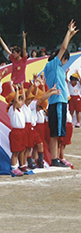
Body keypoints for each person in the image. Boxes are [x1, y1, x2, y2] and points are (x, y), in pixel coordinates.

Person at [43, 20, 78, 167]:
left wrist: (70, 35)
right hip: (57, 102)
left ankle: (56, 158)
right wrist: (68, 33)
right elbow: (63, 47)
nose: (64, 62)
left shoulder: (57, 68)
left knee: (58, 133)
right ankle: (54, 159)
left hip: (60, 102)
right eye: (65, 59)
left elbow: (63, 49)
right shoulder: (52, 65)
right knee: (55, 133)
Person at [6, 85, 27, 177]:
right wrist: (17, 91)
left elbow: (24, 99)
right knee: (15, 151)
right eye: (18, 99)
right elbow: (15, 101)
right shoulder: (12, 109)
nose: (20, 102)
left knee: (21, 150)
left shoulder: (20, 109)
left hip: (22, 131)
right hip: (16, 132)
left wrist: (22, 89)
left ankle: (21, 165)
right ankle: (14, 167)